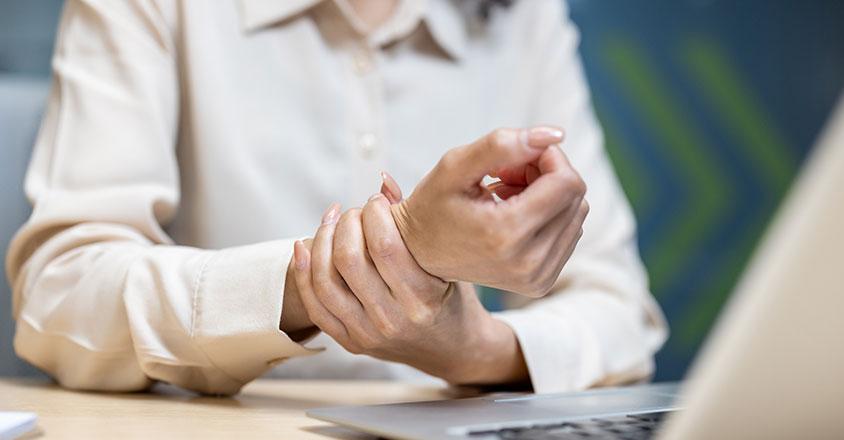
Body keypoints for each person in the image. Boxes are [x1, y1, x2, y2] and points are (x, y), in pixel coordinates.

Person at [6, 0, 667, 395]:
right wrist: (382, 257)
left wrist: (475, 351)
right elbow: (61, 291)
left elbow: (619, 312)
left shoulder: (522, 16)